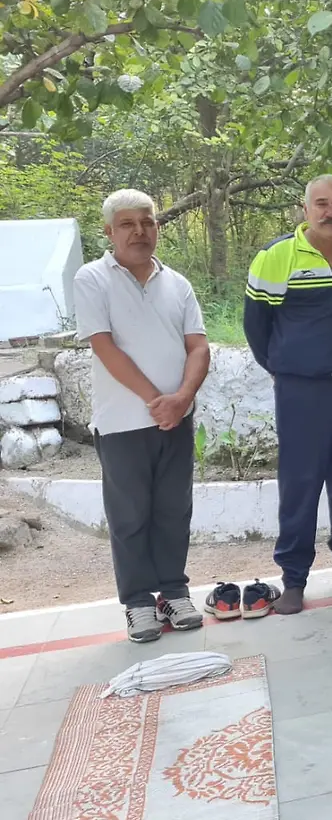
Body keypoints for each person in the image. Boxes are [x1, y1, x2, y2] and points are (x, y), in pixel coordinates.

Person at [243, 174, 332, 615]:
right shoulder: (276, 256)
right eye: (322, 204)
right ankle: (293, 579)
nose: (331, 212)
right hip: (300, 390)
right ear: (305, 209)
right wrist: (283, 367)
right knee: (301, 482)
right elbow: (255, 325)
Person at [74, 189, 210, 642]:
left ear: (157, 227)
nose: (139, 231)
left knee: (174, 510)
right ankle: (137, 602)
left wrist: (182, 399)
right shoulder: (93, 279)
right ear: (109, 232)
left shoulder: (178, 284)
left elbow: (198, 346)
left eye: (147, 222)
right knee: (130, 516)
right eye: (128, 224)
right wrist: (158, 401)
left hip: (176, 420)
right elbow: (104, 346)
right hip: (122, 425)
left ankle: (173, 593)